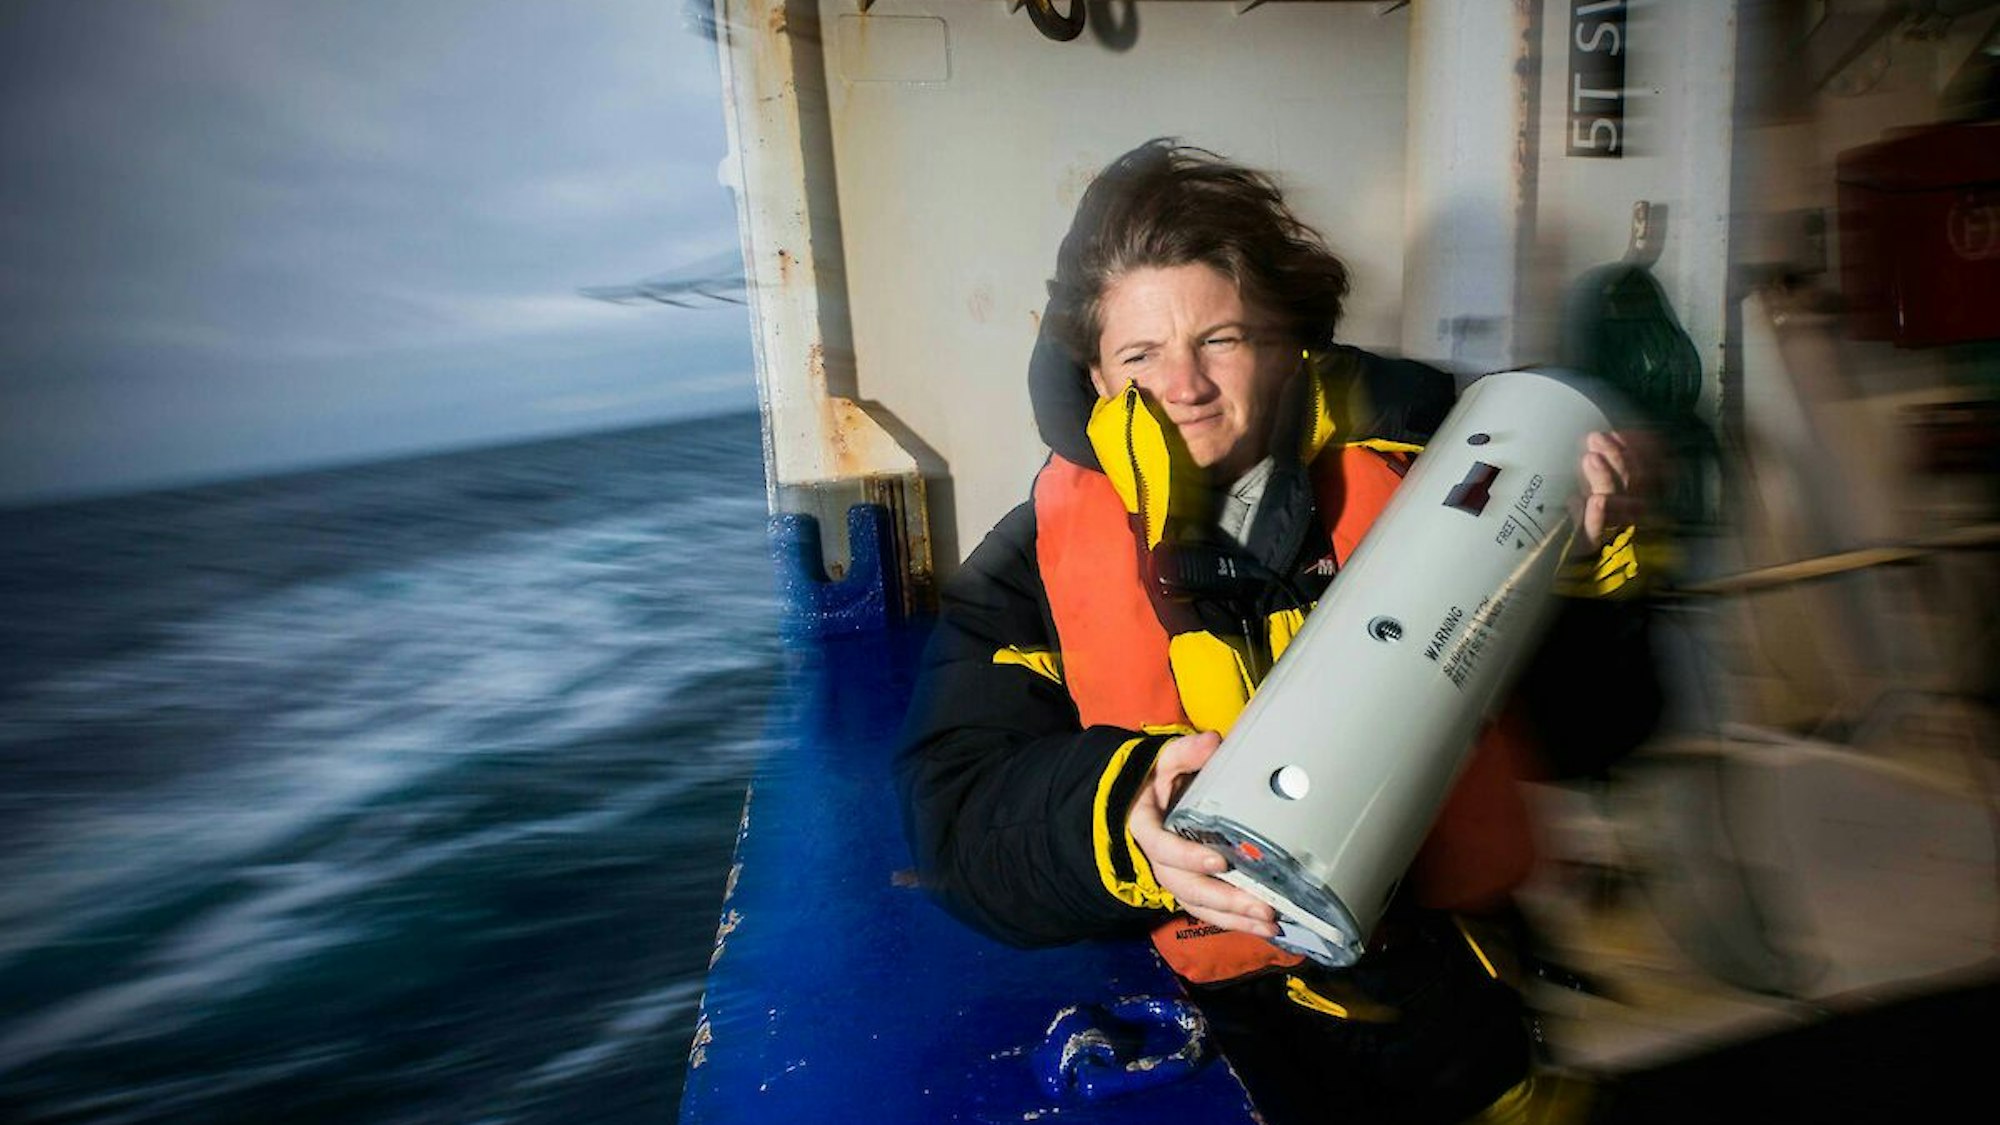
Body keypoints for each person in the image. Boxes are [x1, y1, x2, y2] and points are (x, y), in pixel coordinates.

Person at [897, 140, 1662, 1125]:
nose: (1184, 385)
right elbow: (956, 817)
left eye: (1219, 337)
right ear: (1092, 374)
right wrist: (1119, 814)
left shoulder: (1431, 484)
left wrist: (1596, 582)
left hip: (1456, 1015)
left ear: (1284, 341)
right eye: (1139, 355)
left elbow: (1601, 735)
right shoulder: (1035, 561)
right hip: (1234, 1040)